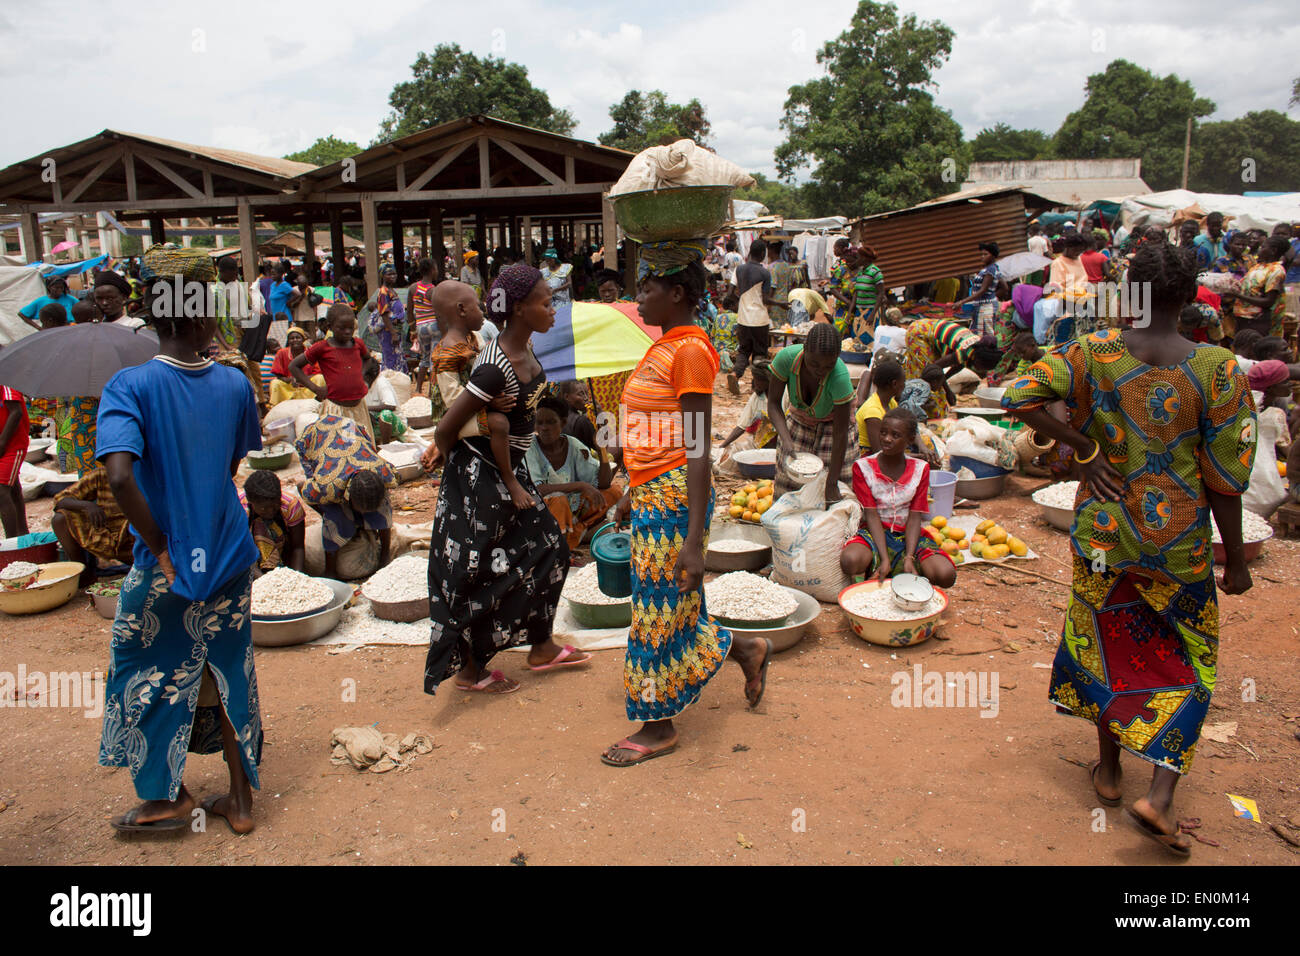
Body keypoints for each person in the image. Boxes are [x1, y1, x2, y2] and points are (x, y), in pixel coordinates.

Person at [1002, 240, 1256, 858]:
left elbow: (1019, 395)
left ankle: (1110, 774)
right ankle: (1160, 796)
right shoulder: (1218, 369)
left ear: (1130, 293)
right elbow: (1226, 480)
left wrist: (1082, 448)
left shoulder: (1094, 353)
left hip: (1104, 539)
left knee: (1104, 643)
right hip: (1178, 548)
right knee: (1190, 658)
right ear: (1193, 295)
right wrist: (1238, 560)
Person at [96, 244, 264, 836]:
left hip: (168, 562)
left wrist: (162, 546)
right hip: (229, 553)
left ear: (149, 308)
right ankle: (240, 803)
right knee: (228, 669)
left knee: (141, 663)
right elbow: (228, 466)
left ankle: (167, 797)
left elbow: (119, 476)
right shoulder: (235, 384)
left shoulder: (128, 386)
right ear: (203, 312)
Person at [601, 251, 770, 767]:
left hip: (677, 500)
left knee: (654, 614)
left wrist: (695, 542)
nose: (639, 297)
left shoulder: (691, 351)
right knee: (673, 605)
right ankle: (745, 648)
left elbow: (697, 447)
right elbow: (657, 431)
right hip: (655, 492)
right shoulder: (666, 345)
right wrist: (633, 489)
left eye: (647, 288)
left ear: (676, 294)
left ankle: (658, 726)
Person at [421, 263, 590, 696]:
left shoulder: (525, 351)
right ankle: (471, 669)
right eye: (545, 302)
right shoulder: (495, 369)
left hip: (508, 470)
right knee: (480, 567)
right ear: (518, 309)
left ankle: (540, 645)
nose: (553, 309)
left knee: (549, 545)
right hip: (482, 475)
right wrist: (457, 464)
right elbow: (445, 427)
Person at [841, 407, 957, 588]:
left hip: (908, 534)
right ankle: (882, 564)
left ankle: (909, 567)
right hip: (875, 531)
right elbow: (871, 515)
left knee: (946, 575)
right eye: (884, 433)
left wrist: (910, 556)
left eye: (895, 435)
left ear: (910, 440)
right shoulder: (863, 467)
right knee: (850, 560)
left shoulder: (920, 469)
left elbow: (915, 516)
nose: (887, 439)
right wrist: (884, 558)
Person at [296, 414, 395, 579]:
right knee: (335, 516)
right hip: (315, 438)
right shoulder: (326, 486)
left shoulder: (385, 473)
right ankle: (331, 569)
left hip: (350, 429)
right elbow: (301, 488)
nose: (364, 513)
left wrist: (384, 557)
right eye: (361, 510)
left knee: (383, 508)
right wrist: (324, 512)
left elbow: (382, 510)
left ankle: (384, 556)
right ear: (348, 496)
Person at [768, 322, 856, 503]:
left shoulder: (839, 377)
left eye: (828, 366)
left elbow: (840, 434)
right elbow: (774, 404)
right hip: (799, 421)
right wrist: (786, 440)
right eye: (814, 363)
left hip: (834, 429)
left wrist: (832, 483)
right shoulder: (786, 359)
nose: (820, 371)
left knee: (834, 495)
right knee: (789, 489)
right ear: (804, 349)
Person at [526, 395, 621, 552]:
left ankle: (574, 534)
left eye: (551, 422)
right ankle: (562, 547)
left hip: (573, 510)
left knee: (614, 491)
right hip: (543, 514)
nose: (544, 428)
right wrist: (580, 485)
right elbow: (538, 489)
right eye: (540, 422)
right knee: (558, 500)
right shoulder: (531, 447)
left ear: (563, 423)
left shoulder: (573, 445)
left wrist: (601, 449)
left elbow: (602, 483)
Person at [293, 303, 374, 444]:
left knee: (362, 448)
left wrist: (361, 375)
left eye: (351, 328)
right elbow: (294, 366)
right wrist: (316, 389)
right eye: (342, 328)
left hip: (359, 408)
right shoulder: (322, 348)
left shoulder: (357, 344)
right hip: (336, 410)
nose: (347, 332)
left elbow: (368, 360)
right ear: (329, 327)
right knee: (340, 449)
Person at [51, 466, 134, 587]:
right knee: (60, 519)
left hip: (138, 543)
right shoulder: (101, 474)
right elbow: (60, 499)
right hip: (109, 540)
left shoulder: (146, 474)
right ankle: (83, 572)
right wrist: (87, 506)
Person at [238, 470, 306, 573]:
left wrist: (295, 576)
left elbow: (298, 547)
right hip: (248, 556)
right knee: (259, 526)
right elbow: (239, 552)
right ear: (251, 503)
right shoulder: (239, 510)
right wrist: (264, 581)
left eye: (275, 505)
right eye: (264, 508)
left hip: (283, 550)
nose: (270, 511)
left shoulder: (290, 505)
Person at [901, 316, 1001, 383]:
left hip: (929, 329)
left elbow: (958, 366)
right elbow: (933, 368)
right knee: (925, 375)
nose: (981, 371)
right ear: (979, 359)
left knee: (935, 383)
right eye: (982, 367)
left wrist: (944, 383)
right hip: (920, 333)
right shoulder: (966, 352)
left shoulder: (979, 348)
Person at [1224, 235, 1287, 339]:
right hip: (1244, 318)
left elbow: (1268, 301)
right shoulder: (1258, 266)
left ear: (1273, 250)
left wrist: (1238, 295)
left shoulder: (1276, 270)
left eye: (1263, 247)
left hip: (1259, 321)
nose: (1259, 250)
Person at [732, 238, 773, 388]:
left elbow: (731, 292)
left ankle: (735, 374)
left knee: (744, 349)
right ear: (762, 253)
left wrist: (742, 302)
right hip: (760, 319)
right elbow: (766, 300)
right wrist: (781, 304)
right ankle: (756, 384)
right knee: (759, 352)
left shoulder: (739, 269)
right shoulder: (765, 273)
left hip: (743, 318)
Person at [719, 361, 776, 454]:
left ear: (768, 380)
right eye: (754, 378)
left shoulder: (784, 395)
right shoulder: (757, 397)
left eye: (758, 379)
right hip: (761, 443)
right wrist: (722, 446)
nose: (754, 382)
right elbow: (741, 426)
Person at [855, 357, 904, 454]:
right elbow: (880, 452)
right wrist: (919, 457)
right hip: (867, 456)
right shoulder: (873, 412)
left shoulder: (890, 402)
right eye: (903, 382)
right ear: (894, 384)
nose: (904, 386)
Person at [952, 241, 1000, 335]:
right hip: (981, 306)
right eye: (981, 254)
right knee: (978, 333)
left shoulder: (991, 270)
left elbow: (983, 290)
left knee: (985, 335)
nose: (982, 256)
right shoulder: (989, 269)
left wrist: (962, 302)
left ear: (993, 256)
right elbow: (1003, 288)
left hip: (985, 308)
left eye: (986, 254)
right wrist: (991, 297)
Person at [0, 384, 28, 538]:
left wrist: (2, 443)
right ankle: (23, 535)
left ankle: (12, 542)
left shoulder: (7, 381)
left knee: (1, 491)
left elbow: (16, 413)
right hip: (3, 443)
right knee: (13, 488)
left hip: (12, 444)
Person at [266, 329, 322, 405]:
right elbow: (278, 375)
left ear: (303, 340)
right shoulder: (282, 353)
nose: (295, 340)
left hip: (309, 387)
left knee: (319, 378)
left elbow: (318, 372)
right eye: (292, 338)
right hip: (289, 387)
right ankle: (277, 405)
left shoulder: (311, 352)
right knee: (275, 383)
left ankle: (318, 402)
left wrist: (302, 380)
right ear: (288, 341)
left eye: (298, 338)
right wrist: (289, 380)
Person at [409, 258, 438, 396]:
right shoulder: (433, 290)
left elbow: (409, 313)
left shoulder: (413, 288)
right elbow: (439, 311)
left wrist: (413, 330)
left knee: (425, 358)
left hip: (420, 327)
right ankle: (432, 391)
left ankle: (418, 388)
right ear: (432, 270)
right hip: (434, 325)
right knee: (434, 358)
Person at [369, 266, 405, 372]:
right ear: (383, 276)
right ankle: (390, 381)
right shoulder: (383, 292)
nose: (393, 276)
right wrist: (393, 333)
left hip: (395, 328)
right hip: (388, 331)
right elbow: (384, 314)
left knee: (397, 356)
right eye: (389, 274)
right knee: (391, 357)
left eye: (394, 273)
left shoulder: (391, 290)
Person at [849, 245, 886, 348]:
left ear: (864, 258)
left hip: (870, 312)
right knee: (856, 338)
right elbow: (856, 293)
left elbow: (881, 293)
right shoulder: (861, 272)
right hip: (859, 312)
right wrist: (850, 312)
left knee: (868, 341)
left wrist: (873, 313)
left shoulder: (875, 272)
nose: (857, 259)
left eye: (859, 257)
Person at [766, 240, 797, 327]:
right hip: (785, 300)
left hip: (775, 303)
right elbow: (791, 285)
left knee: (774, 328)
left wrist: (767, 305)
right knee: (783, 327)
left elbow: (772, 287)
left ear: (771, 251)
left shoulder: (771, 267)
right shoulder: (786, 265)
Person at [265, 264, 296, 344]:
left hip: (284, 316)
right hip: (275, 317)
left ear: (281, 274)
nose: (272, 276)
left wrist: (289, 302)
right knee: (278, 340)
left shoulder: (284, 285)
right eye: (271, 274)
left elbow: (297, 294)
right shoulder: (272, 285)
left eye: (274, 274)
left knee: (286, 341)